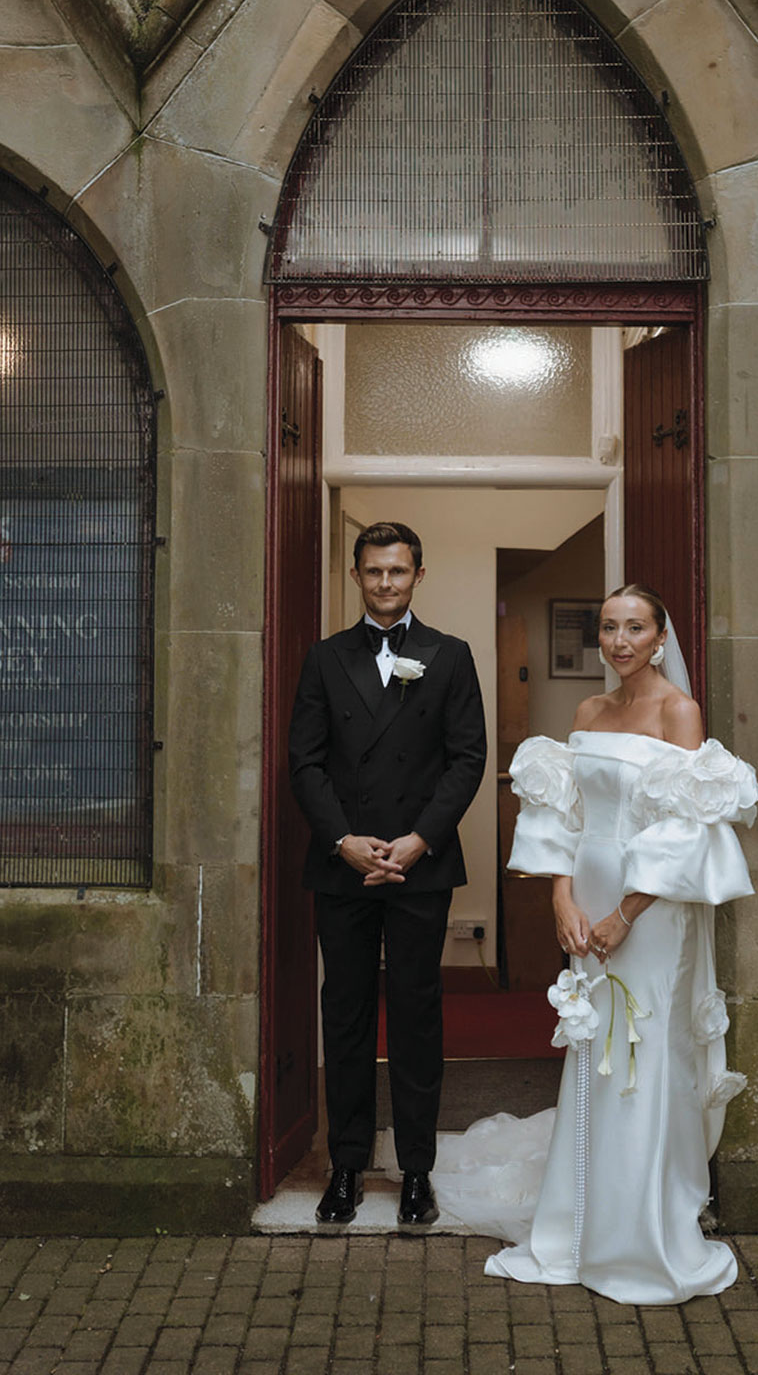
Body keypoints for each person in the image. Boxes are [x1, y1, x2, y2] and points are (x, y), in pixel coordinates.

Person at [434, 582, 757, 1304]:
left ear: (659, 638)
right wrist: (561, 897)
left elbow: (687, 830)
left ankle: (641, 1230)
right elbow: (563, 816)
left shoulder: (680, 712)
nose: (618, 641)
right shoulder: (588, 711)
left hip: (653, 913)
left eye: (634, 628)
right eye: (609, 627)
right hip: (588, 903)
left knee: (644, 1052)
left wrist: (626, 914)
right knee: (594, 1049)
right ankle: (581, 1221)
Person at [288, 521, 487, 1230]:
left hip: (417, 868)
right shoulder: (323, 658)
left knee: (414, 1017)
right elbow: (304, 763)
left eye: (397, 572)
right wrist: (342, 839)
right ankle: (344, 1166)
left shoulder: (451, 656)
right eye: (373, 572)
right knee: (342, 1016)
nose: (385, 584)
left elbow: (468, 759)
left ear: (417, 575)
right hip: (342, 866)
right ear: (356, 575)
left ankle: (416, 1172)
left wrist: (419, 841)